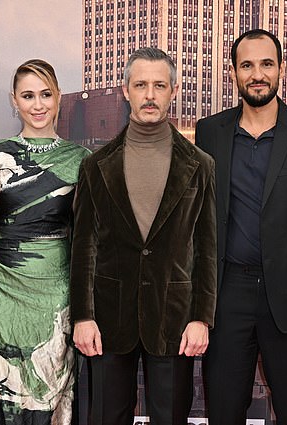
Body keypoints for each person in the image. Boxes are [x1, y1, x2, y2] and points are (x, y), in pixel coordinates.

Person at [195, 29, 287, 424]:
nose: (257, 74)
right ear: (234, 73)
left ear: (281, 69)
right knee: (224, 410)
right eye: (247, 65)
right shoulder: (210, 132)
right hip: (228, 297)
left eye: (266, 64)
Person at [70, 47, 217, 425]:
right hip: (107, 319)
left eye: (158, 85)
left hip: (174, 319)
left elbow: (206, 249)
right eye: (141, 85)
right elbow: (83, 246)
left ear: (173, 90)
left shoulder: (200, 165)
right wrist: (83, 316)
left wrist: (202, 317)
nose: (149, 95)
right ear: (126, 90)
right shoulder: (95, 166)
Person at [0, 59, 90, 425]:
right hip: (2, 289)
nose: (38, 104)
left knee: (49, 387)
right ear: (14, 101)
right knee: (1, 379)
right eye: (28, 95)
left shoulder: (81, 159)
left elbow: (87, 236)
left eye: (46, 94)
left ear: (58, 98)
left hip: (58, 289)